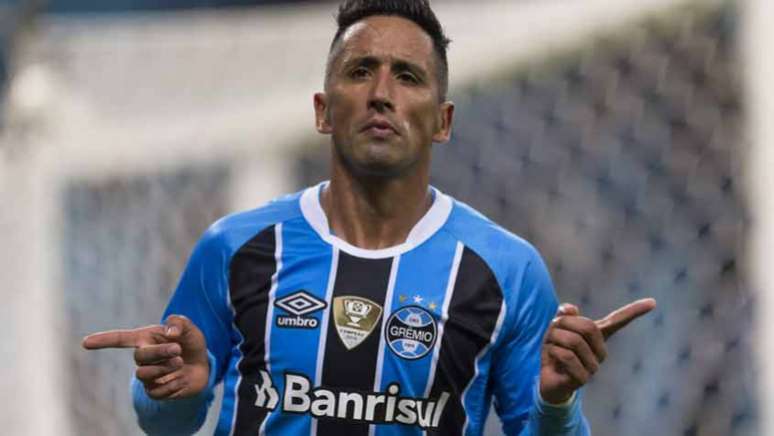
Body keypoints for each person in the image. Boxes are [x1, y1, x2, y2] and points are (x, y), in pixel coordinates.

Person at [82, 1, 656, 435]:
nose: (382, 93)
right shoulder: (236, 247)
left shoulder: (506, 271)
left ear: (443, 120)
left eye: (408, 77)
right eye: (360, 71)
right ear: (323, 110)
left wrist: (556, 404)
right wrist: (172, 393)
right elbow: (163, 422)